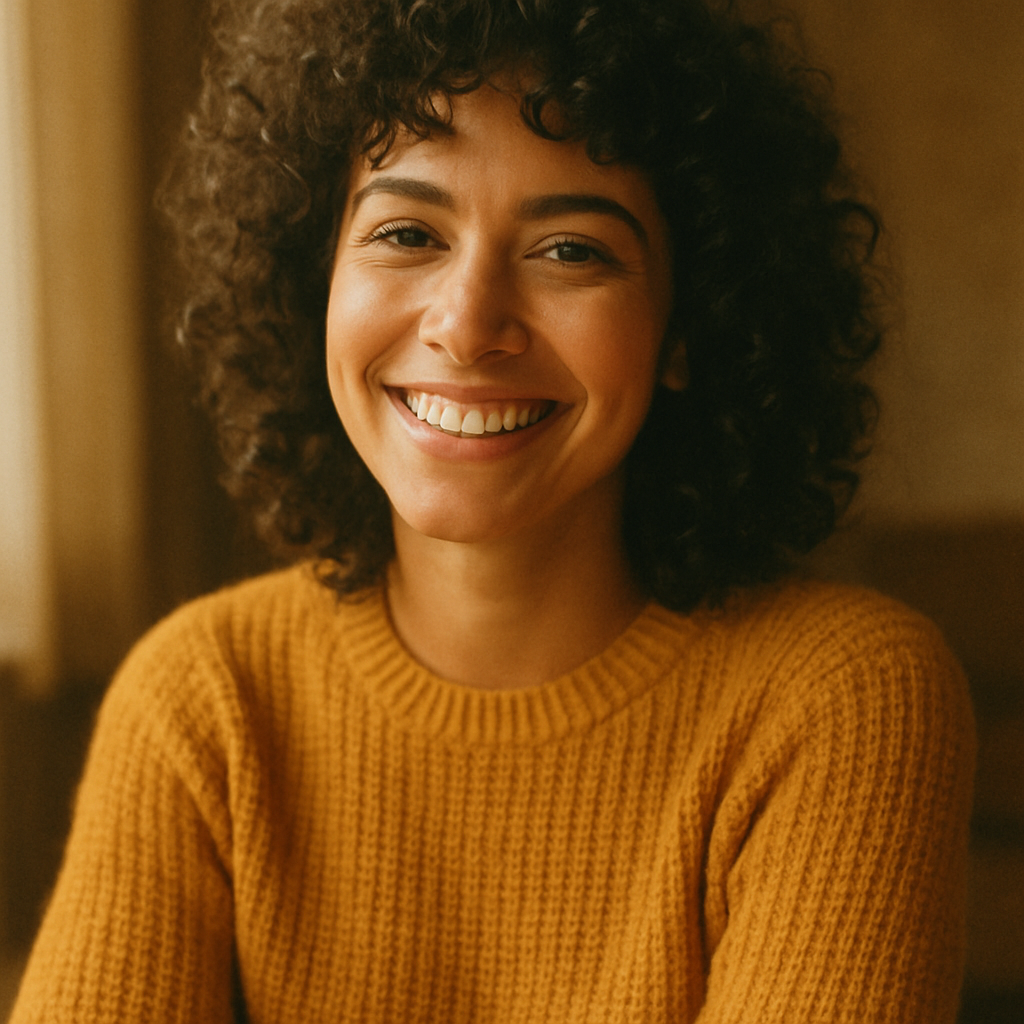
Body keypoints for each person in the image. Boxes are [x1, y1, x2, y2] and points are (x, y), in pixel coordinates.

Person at [11, 0, 975, 1021]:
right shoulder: (204, 701)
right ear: (316, 285)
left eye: (571, 252)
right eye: (406, 232)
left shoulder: (839, 698)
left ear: (687, 328)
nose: (467, 325)